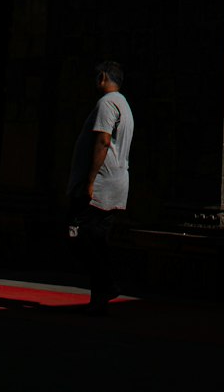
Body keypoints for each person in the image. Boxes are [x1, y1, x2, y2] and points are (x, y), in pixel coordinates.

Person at [66, 61, 135, 315]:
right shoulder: (124, 105)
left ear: (103, 77)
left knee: (77, 233)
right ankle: (101, 290)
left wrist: (90, 180)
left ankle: (105, 284)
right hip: (117, 181)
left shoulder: (107, 103)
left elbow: (103, 140)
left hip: (102, 184)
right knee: (98, 237)